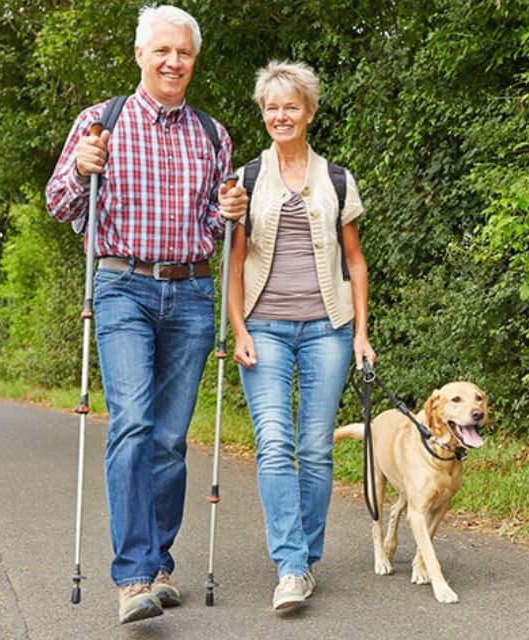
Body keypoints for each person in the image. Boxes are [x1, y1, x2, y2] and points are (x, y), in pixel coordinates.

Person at [45, 5, 247, 624]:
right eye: (162, 50)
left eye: (183, 53)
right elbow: (58, 203)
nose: (173, 61)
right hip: (121, 287)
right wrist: (81, 170)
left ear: (193, 60)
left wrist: (232, 208)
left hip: (190, 293)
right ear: (140, 55)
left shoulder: (213, 135)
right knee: (132, 423)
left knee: (169, 439)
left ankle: (160, 563)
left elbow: (214, 228)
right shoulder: (99, 123)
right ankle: (133, 578)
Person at [223, 60, 375, 612]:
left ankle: (305, 558)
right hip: (262, 326)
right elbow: (234, 265)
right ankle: (290, 565)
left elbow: (355, 262)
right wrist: (237, 327)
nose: (280, 115)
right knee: (274, 442)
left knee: (314, 449)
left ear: (308, 112)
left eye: (290, 106)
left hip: (327, 330)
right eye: (271, 107)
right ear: (263, 115)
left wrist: (361, 333)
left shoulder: (336, 178)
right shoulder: (246, 179)